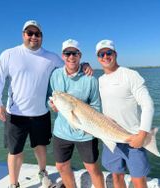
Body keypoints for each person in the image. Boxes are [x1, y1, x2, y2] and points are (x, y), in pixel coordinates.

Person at [0, 20, 93, 188]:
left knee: (40, 146)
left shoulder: (51, 57)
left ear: (41, 37)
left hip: (41, 113)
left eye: (37, 34)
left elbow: (70, 65)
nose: (33, 37)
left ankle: (43, 173)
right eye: (30, 33)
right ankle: (13, 184)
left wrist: (85, 64)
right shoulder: (9, 54)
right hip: (15, 113)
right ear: (23, 35)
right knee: (15, 151)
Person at [95, 39, 154, 188]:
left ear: (115, 54)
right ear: (98, 58)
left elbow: (148, 105)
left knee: (139, 181)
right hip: (110, 138)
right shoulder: (100, 80)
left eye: (109, 52)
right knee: (116, 177)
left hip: (133, 138)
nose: (105, 56)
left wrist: (142, 134)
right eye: (101, 54)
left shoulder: (131, 75)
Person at [49, 39, 105, 188]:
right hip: (61, 131)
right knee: (61, 166)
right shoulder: (55, 75)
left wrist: (90, 123)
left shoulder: (90, 78)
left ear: (80, 55)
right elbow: (50, 96)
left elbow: (96, 105)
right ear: (62, 56)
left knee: (92, 168)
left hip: (86, 132)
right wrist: (52, 105)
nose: (71, 57)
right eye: (67, 53)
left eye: (74, 53)